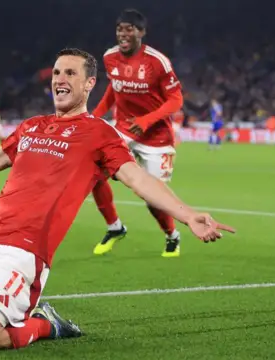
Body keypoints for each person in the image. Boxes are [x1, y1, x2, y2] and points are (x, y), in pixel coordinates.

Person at [0, 48, 235, 353]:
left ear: (89, 83)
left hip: (24, 251)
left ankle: (45, 323)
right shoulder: (32, 126)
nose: (60, 79)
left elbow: (137, 178)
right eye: (57, 72)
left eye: (71, 73)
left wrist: (188, 215)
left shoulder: (99, 134)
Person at [90, 9, 185, 257]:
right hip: (124, 129)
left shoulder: (157, 62)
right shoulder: (110, 57)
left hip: (156, 137)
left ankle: (172, 235)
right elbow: (114, 88)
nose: (123, 33)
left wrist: (147, 120)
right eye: (120, 28)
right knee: (92, 169)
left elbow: (176, 99)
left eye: (129, 29)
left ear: (141, 33)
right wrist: (95, 116)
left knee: (153, 200)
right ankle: (115, 227)